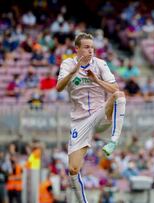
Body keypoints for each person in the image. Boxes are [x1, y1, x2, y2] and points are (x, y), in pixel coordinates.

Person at [56, 33, 126, 203]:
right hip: (79, 122)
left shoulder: (100, 64)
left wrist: (96, 80)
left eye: (92, 47)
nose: (91, 50)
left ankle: (113, 140)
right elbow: (58, 88)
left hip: (99, 114)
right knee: (73, 169)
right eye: (86, 47)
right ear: (77, 49)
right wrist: (73, 71)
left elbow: (114, 87)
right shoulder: (67, 64)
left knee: (119, 95)